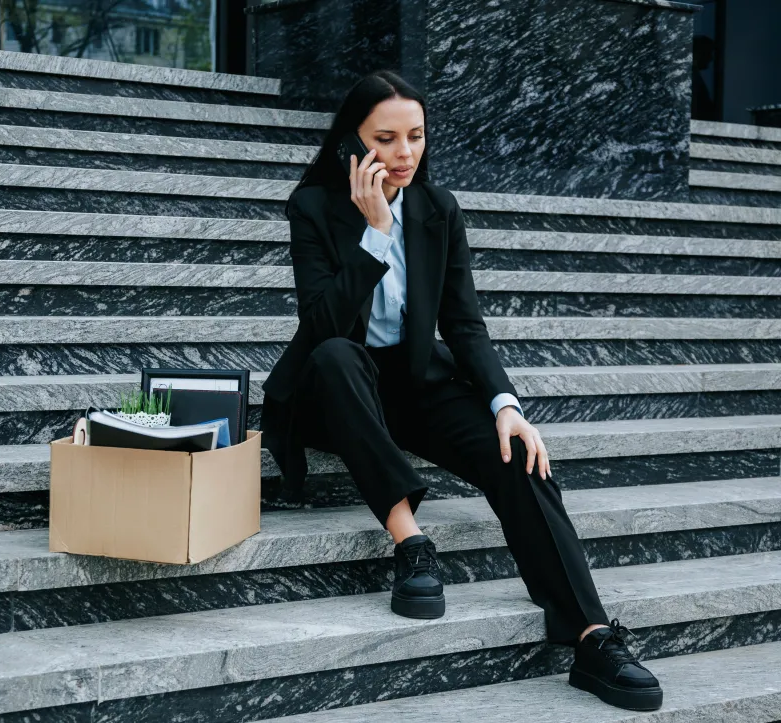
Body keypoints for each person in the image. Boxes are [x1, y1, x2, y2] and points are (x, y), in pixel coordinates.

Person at [260, 70, 664, 712]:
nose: (403, 154)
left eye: (415, 137)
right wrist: (372, 234)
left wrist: (507, 406)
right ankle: (410, 541)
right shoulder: (313, 207)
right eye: (385, 139)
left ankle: (592, 635)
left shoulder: (438, 208)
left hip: (417, 384)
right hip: (333, 385)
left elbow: (464, 323)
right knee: (339, 354)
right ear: (352, 144)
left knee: (517, 455)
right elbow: (323, 326)